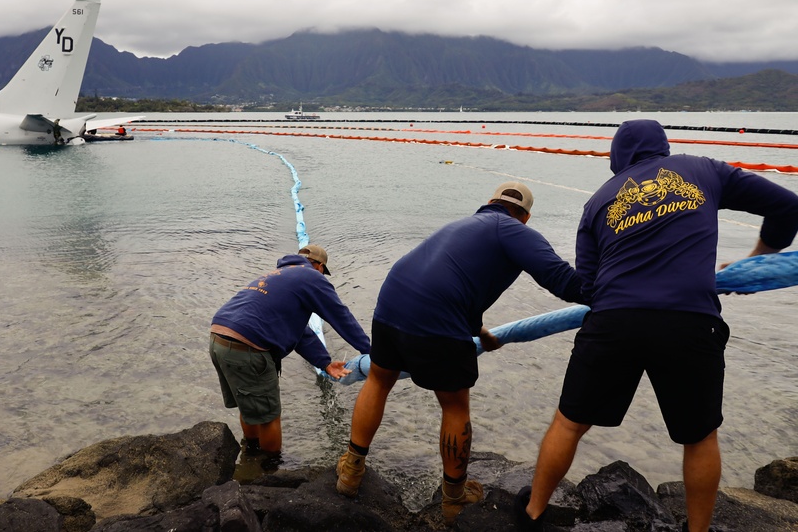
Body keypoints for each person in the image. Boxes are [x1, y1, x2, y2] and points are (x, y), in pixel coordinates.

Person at [516, 119, 798, 532]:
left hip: (614, 321)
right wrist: (755, 260)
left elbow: (590, 287)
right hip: (690, 320)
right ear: (663, 148)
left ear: (617, 159)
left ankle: (533, 514)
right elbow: (787, 206)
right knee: (699, 437)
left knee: (570, 421)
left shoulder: (597, 202)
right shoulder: (704, 169)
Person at [335, 182, 587, 526]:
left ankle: (351, 470)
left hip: (391, 303)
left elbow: (452, 282)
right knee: (454, 405)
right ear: (525, 216)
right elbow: (562, 280)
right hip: (436, 318)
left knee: (379, 380)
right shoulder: (513, 229)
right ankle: (454, 498)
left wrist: (480, 331)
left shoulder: (460, 226)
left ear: (489, 203)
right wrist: (613, 293)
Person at [210, 244, 370, 463]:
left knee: (250, 405)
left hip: (219, 338)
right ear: (320, 266)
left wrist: (324, 363)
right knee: (268, 417)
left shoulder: (277, 276)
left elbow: (300, 333)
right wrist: (371, 351)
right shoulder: (312, 277)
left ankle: (251, 454)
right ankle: (270, 471)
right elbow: (341, 316)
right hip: (248, 347)